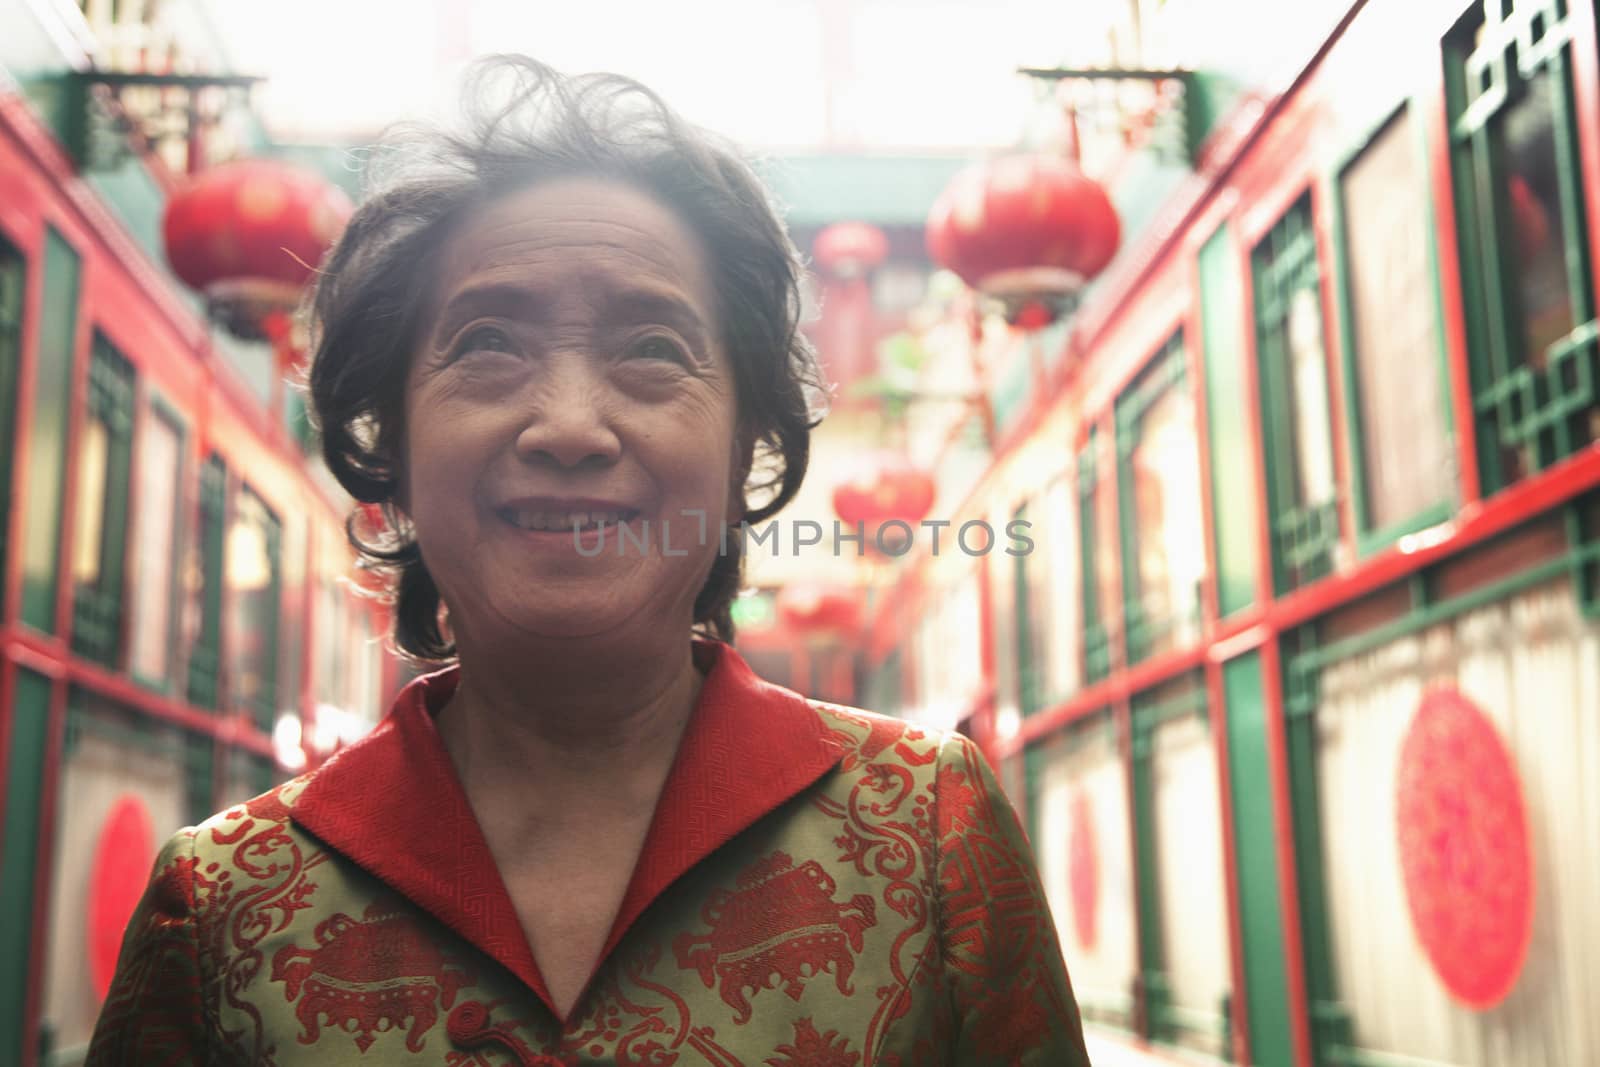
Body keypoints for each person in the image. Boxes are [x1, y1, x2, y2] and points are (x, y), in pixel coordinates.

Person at [87, 56, 1091, 1065]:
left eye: (653, 348)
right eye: (486, 342)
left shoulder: (928, 829)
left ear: (746, 443)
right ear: (390, 435)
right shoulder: (221, 903)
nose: (569, 426)